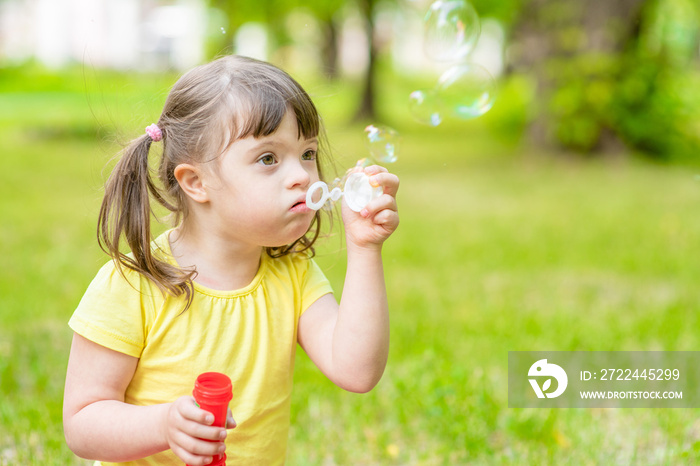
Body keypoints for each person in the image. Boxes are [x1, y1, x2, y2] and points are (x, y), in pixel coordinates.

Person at [62, 55, 400, 466]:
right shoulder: (133, 283)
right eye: (268, 158)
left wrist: (364, 248)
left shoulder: (293, 275)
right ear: (196, 182)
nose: (302, 176)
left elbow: (357, 371)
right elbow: (82, 422)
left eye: (307, 153)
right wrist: (163, 425)